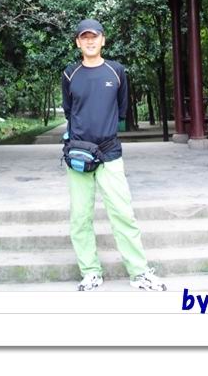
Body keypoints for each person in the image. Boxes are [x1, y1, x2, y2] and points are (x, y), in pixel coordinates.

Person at [61, 18, 167, 292]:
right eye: (84, 37)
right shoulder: (70, 74)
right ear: (78, 43)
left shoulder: (116, 71)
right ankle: (90, 272)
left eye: (94, 36)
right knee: (80, 217)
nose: (90, 41)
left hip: (110, 153)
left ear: (103, 40)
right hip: (78, 156)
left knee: (123, 214)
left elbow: (121, 111)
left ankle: (139, 273)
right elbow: (70, 111)